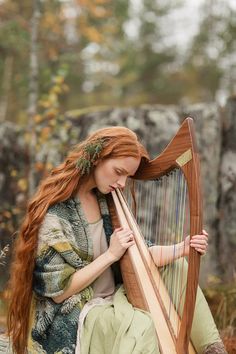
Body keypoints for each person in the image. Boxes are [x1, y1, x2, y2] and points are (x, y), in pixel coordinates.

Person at [6, 126, 226, 354]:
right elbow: (59, 292)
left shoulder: (106, 200)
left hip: (113, 296)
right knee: (142, 324)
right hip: (76, 312)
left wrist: (183, 247)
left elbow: (138, 253)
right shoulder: (56, 215)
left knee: (178, 267)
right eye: (118, 171)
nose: (122, 183)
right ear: (96, 159)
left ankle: (213, 349)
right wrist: (110, 255)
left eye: (128, 177)